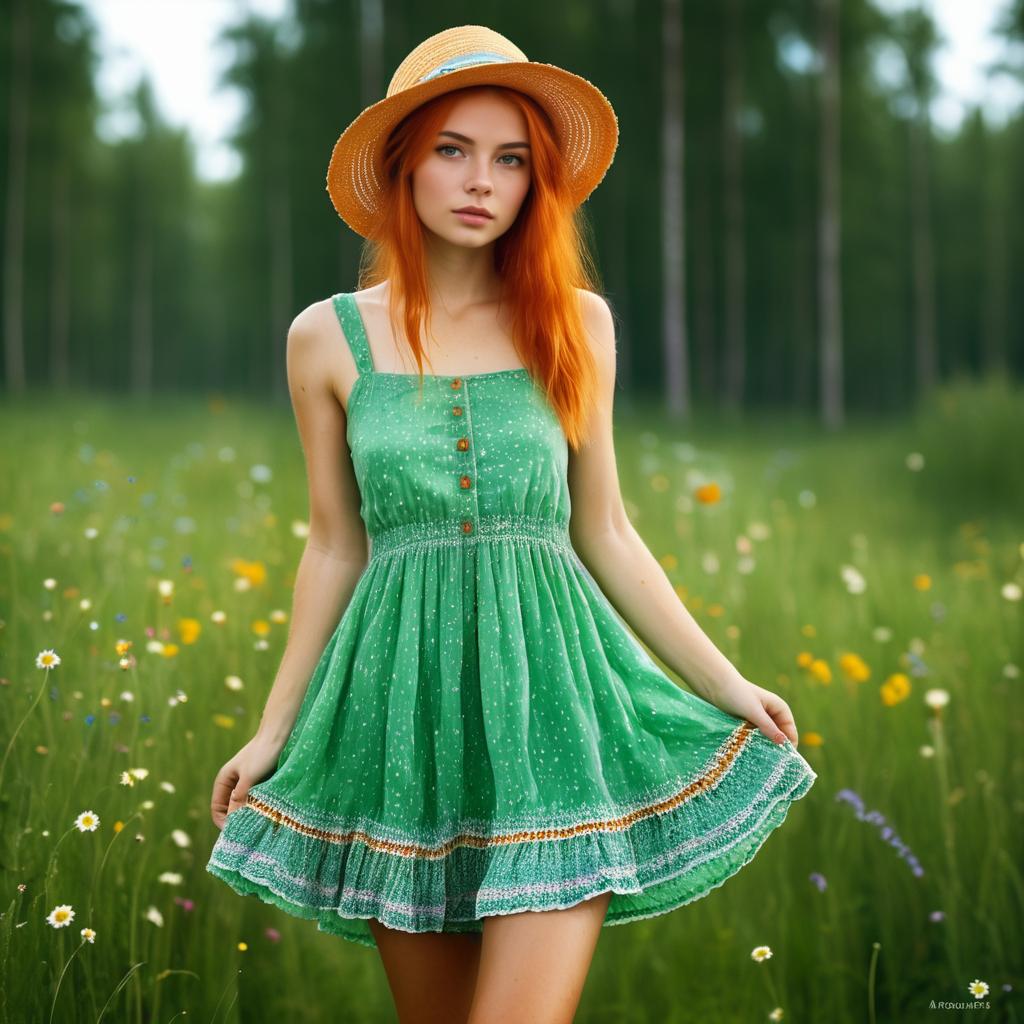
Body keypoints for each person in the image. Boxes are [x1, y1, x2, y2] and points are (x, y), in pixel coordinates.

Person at [206, 25, 817, 1024]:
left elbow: (606, 530)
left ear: (537, 183)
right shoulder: (325, 337)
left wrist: (725, 680)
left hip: (554, 716)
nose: (480, 181)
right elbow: (334, 544)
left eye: (511, 159)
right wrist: (274, 729)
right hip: (396, 724)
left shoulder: (576, 324)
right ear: (403, 165)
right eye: (452, 149)